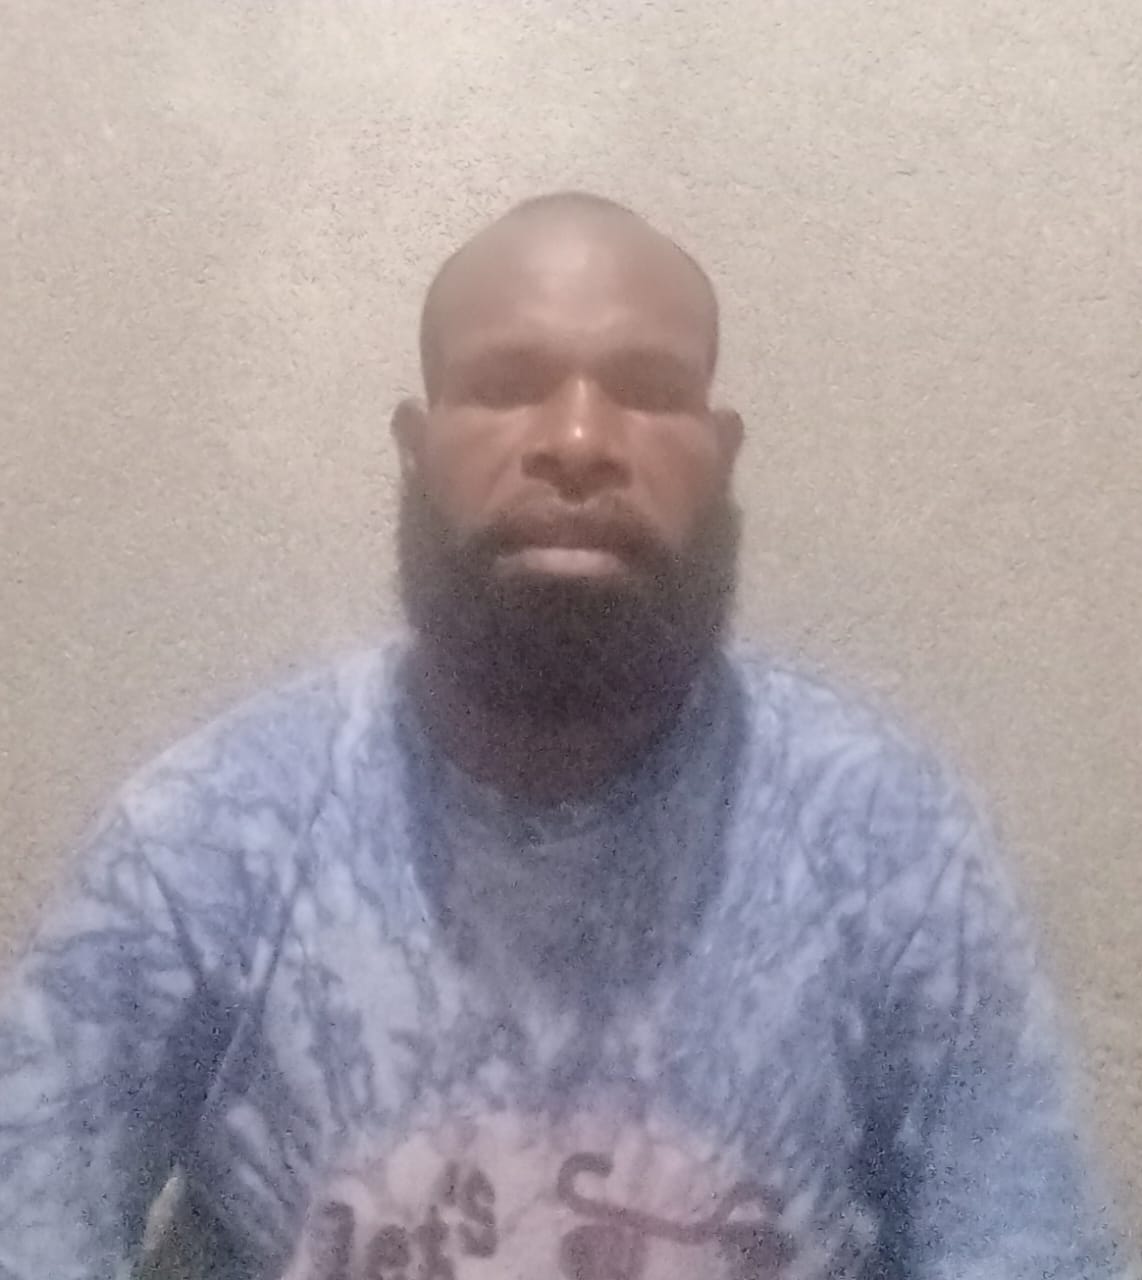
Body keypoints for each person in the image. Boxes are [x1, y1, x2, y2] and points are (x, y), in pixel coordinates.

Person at [0, 192, 1131, 1280]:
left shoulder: (886, 841)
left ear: (720, 453)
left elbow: (1023, 1250)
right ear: (417, 446)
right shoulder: (208, 841)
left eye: (648, 389)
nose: (579, 439)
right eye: (504, 385)